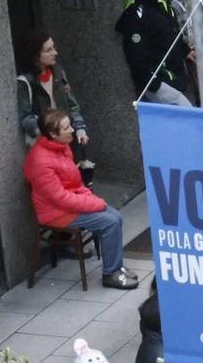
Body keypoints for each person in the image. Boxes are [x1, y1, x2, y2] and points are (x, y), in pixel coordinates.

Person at [23, 109, 136, 290]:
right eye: (66, 128)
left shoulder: (61, 147)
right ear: (53, 134)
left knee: (116, 217)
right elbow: (60, 199)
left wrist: (89, 197)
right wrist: (94, 203)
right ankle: (111, 274)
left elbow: (73, 182)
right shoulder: (41, 162)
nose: (72, 131)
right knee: (110, 222)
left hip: (71, 202)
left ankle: (115, 265)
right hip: (57, 213)